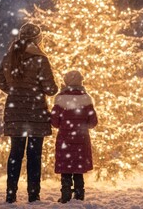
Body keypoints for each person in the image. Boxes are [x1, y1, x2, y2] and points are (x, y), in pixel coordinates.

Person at [0, 22, 58, 203]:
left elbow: (2, 83)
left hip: (15, 111)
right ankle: (33, 195)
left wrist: (17, 91)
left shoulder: (8, 57)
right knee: (34, 155)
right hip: (36, 113)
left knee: (15, 153)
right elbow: (50, 89)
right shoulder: (40, 59)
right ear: (37, 39)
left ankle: (11, 194)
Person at [51, 70, 98, 203]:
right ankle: (79, 193)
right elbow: (93, 121)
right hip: (81, 139)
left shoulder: (60, 99)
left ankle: (65, 193)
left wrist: (64, 125)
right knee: (78, 168)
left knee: (66, 167)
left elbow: (54, 122)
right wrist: (82, 126)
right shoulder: (86, 99)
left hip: (65, 139)